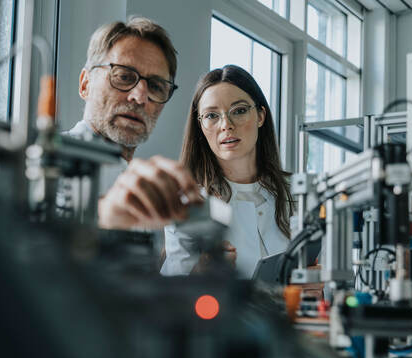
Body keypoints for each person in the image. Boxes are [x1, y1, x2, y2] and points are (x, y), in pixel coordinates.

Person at [65, 17, 201, 230]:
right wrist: (105, 215)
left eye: (156, 86)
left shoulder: (143, 187)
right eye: (124, 76)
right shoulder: (43, 162)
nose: (140, 97)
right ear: (85, 84)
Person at [161, 65, 294, 278]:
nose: (226, 125)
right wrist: (202, 271)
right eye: (212, 115)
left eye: (239, 111)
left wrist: (317, 286)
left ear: (260, 116)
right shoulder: (187, 203)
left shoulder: (298, 194)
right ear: (201, 127)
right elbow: (169, 299)